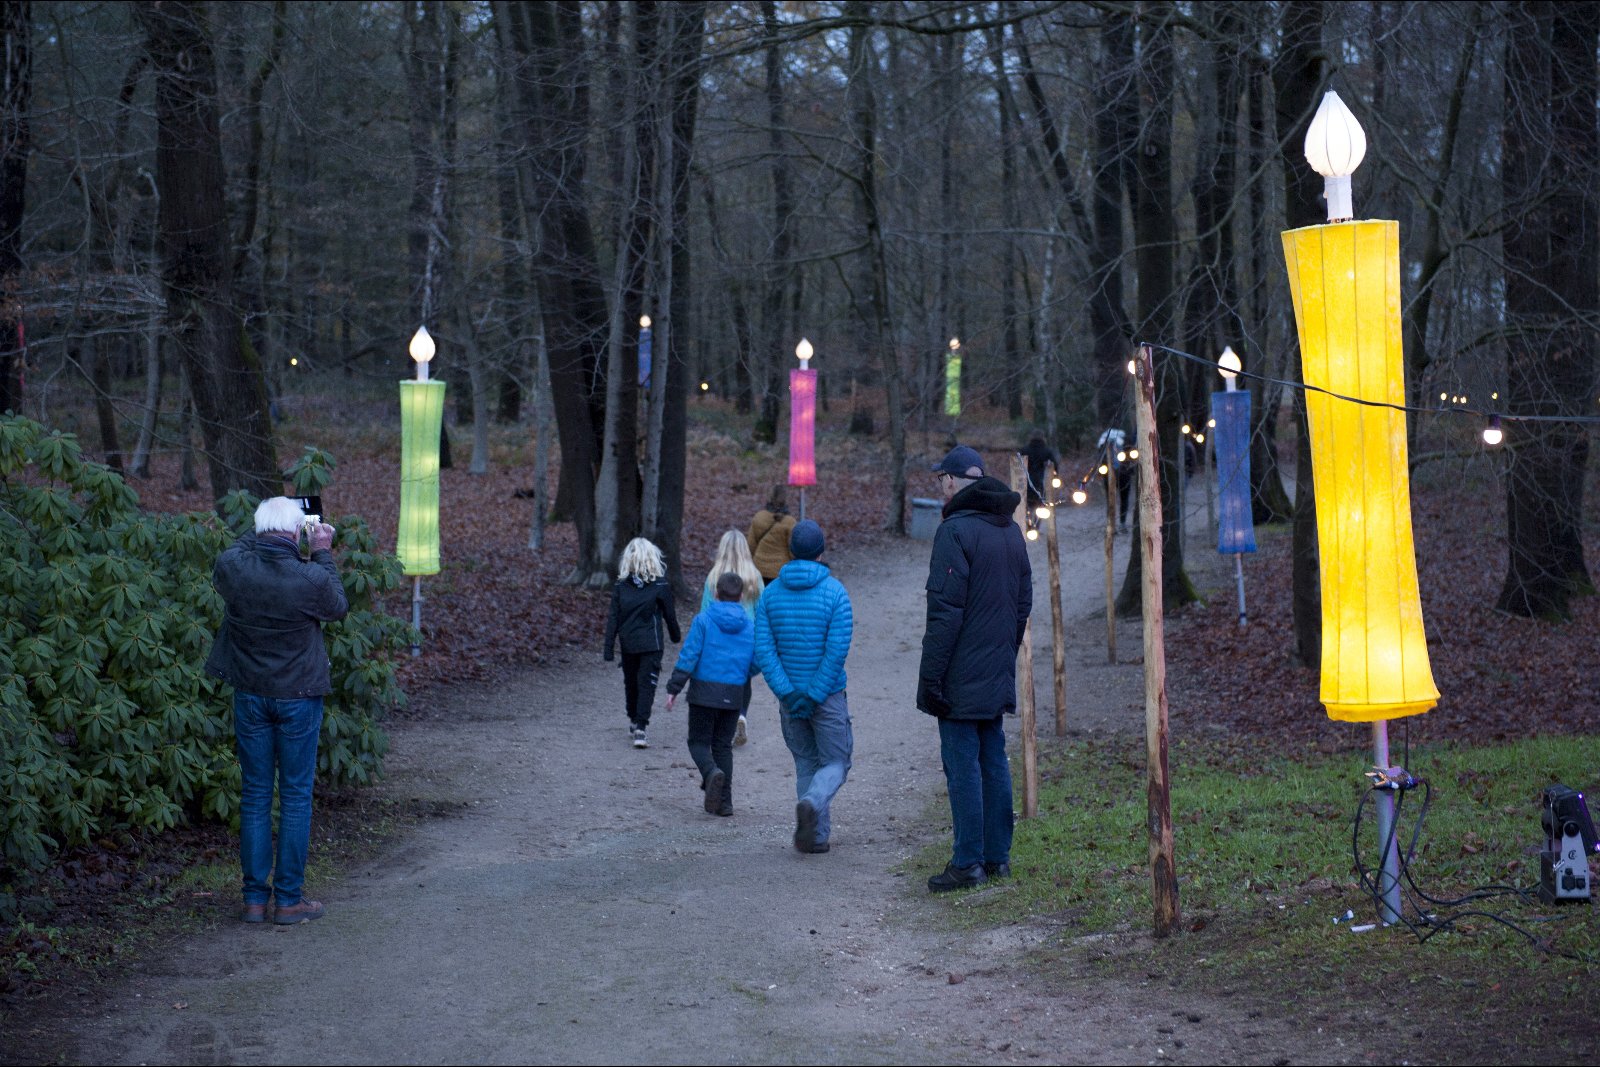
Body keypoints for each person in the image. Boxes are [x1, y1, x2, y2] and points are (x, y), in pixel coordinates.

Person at [205, 496, 348, 925]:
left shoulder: (234, 569)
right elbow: (338, 605)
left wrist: (270, 524)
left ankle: (253, 900)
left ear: (261, 529)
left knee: (255, 796)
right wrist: (320, 546)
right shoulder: (308, 579)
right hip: (298, 697)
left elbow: (240, 548)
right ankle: (288, 900)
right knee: (296, 797)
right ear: (294, 533)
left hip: (251, 693)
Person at [917, 445, 1033, 893]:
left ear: (950, 482)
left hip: (960, 675)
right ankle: (996, 858)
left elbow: (944, 613)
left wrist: (931, 679)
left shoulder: (955, 532)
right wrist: (1003, 648)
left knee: (963, 765)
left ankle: (968, 863)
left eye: (940, 480)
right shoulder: (1010, 531)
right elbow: (1023, 603)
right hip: (995, 665)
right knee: (993, 761)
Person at [754, 519, 853, 855]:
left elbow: (765, 651)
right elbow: (837, 650)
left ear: (790, 551)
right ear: (821, 552)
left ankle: (814, 836)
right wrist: (814, 693)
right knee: (836, 762)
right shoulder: (835, 593)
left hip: (790, 700)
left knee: (806, 763)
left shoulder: (769, 595)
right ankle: (813, 804)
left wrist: (789, 693)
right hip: (827, 696)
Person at [666, 572, 758, 816]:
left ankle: (710, 773)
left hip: (703, 693)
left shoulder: (703, 620)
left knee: (698, 742)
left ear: (716, 594)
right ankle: (725, 803)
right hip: (734, 692)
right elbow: (758, 659)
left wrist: (674, 687)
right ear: (741, 597)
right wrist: (742, 673)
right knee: (722, 746)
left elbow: (690, 655)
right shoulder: (750, 625)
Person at [603, 537, 682, 750]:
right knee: (640, 683)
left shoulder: (625, 586)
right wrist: (676, 636)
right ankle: (637, 721)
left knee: (638, 682)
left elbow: (614, 618)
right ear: (653, 558)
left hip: (637, 644)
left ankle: (639, 724)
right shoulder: (657, 585)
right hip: (647, 644)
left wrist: (609, 647)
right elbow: (669, 616)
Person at [698, 529, 765, 746]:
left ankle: (722, 720)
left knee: (721, 678)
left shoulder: (713, 578)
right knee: (743, 678)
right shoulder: (754, 577)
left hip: (720, 640)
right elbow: (762, 611)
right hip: (748, 639)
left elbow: (705, 611)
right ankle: (741, 714)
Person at [747, 484, 797, 583]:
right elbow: (793, 551)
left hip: (759, 569)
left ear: (769, 497)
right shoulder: (790, 522)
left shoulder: (759, 517)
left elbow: (750, 546)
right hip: (781, 571)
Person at [1097, 427, 1133, 530]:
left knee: (1120, 500)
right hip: (1114, 475)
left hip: (1122, 475)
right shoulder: (1104, 444)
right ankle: (1115, 524)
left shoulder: (1104, 443)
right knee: (1114, 500)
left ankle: (1120, 523)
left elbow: (1131, 457)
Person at [1019, 430, 1059, 514]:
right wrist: (1055, 477)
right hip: (1040, 482)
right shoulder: (1047, 451)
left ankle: (1028, 522)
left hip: (1026, 482)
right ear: (1043, 438)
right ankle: (1036, 524)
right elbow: (1055, 465)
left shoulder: (1024, 450)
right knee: (1040, 505)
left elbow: (1017, 464)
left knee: (1026, 505)